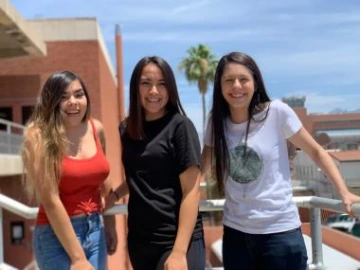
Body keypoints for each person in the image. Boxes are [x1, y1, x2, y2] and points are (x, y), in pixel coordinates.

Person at [201, 52, 360, 270]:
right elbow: (203, 168)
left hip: (280, 234)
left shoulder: (276, 113)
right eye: (229, 80)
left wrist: (343, 192)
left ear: (255, 83)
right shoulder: (217, 123)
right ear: (220, 86)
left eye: (243, 79)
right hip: (236, 236)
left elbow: (316, 152)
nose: (236, 86)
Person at [106, 56, 205, 270]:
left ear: (170, 89)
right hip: (140, 243)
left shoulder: (180, 127)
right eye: (146, 83)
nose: (154, 91)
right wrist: (113, 196)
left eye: (162, 84)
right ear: (135, 88)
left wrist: (179, 252)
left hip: (176, 242)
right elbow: (138, 175)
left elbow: (192, 190)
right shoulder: (127, 129)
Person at [21, 71, 117, 270]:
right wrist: (78, 258)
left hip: (95, 229)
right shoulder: (39, 137)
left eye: (78, 94)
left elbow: (104, 184)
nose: (73, 102)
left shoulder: (96, 128)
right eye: (63, 97)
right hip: (55, 236)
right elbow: (50, 200)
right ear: (51, 102)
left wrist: (110, 224)